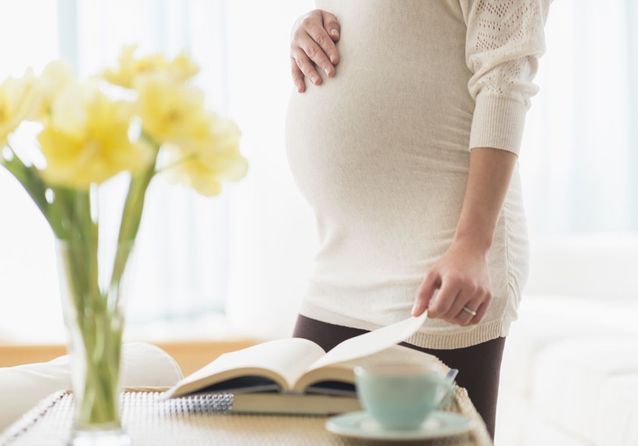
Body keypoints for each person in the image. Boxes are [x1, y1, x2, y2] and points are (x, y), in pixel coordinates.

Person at [284, 0, 551, 439]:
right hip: (341, 262)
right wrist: (309, 29)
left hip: (438, 259)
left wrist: (473, 244)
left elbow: (506, 80)